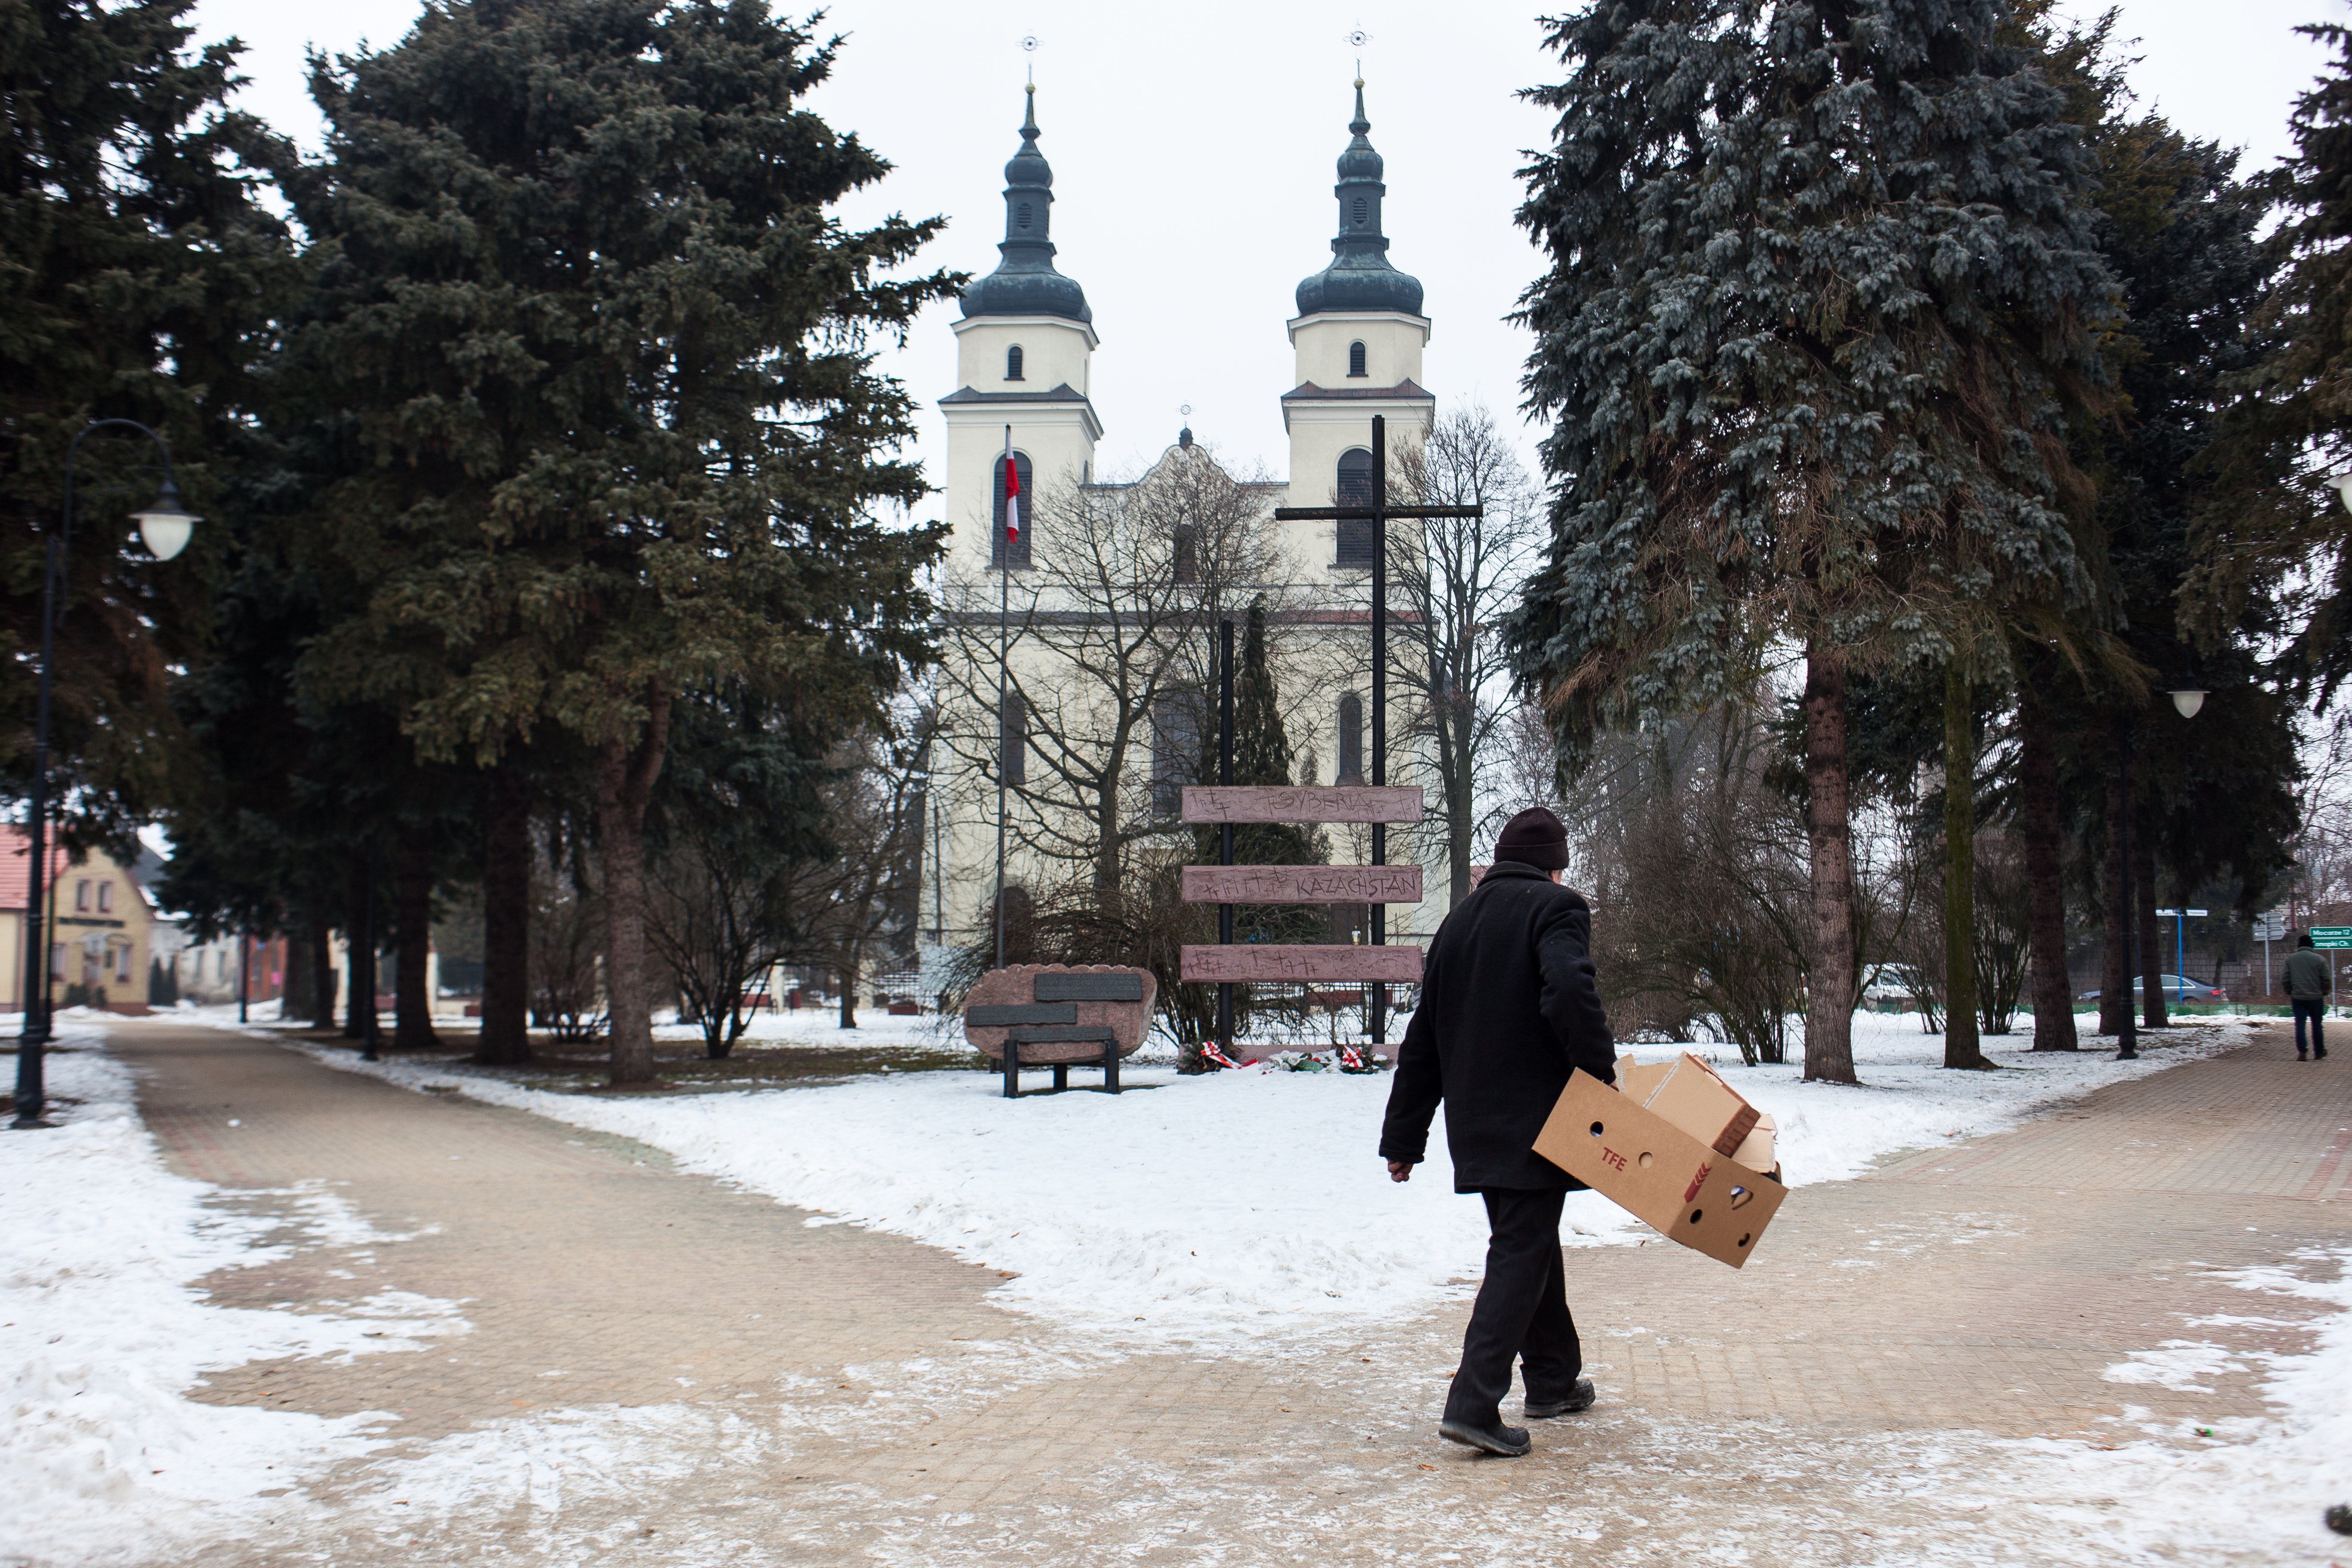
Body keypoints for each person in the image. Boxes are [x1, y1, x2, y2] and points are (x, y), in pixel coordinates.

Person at [1378, 806, 1616, 1457]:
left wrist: (1404, 1138)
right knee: (1520, 1246)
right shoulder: (1556, 907)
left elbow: (1422, 1039)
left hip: (1476, 1122)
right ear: (1554, 863)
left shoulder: (1458, 922)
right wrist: (1598, 1074)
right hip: (1538, 1119)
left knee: (1528, 1239)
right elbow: (1569, 990)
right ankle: (1472, 1404)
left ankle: (1551, 1379)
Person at [2285, 932, 2330, 1061]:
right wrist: (2324, 992)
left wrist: (2290, 991)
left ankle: (2302, 1053)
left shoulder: (2291, 959)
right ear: (2311, 946)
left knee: (2300, 1024)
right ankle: (2319, 1052)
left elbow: (2285, 978)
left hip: (2298, 997)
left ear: (2299, 946)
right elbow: (2326, 979)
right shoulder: (2320, 960)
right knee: (2317, 1025)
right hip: (2316, 998)